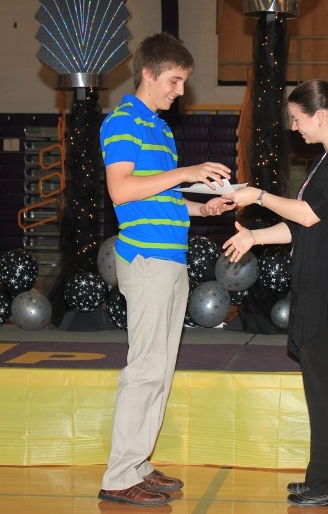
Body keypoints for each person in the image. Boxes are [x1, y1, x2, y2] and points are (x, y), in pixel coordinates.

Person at [222, 79, 328, 507]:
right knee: (323, 386)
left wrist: (258, 195)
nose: (293, 128)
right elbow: (301, 225)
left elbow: (307, 215)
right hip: (321, 284)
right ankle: (326, 478)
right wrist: (255, 237)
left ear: (320, 116)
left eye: (296, 119)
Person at [98, 32, 234, 507]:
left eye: (183, 82)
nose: (180, 91)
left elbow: (159, 196)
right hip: (147, 260)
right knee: (145, 370)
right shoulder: (122, 122)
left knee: (160, 369)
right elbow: (121, 190)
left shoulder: (159, 128)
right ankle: (119, 476)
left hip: (170, 258)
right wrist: (187, 173)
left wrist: (202, 207)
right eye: (174, 81)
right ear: (148, 74)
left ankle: (138, 463)